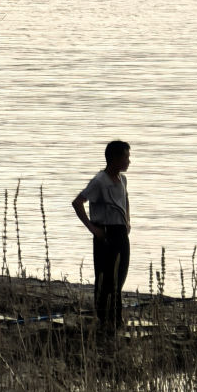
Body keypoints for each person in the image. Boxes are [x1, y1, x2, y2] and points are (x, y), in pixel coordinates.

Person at [72, 141, 131, 333]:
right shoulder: (99, 181)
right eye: (125, 157)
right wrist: (93, 229)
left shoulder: (122, 180)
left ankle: (115, 318)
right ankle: (103, 318)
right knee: (106, 277)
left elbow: (125, 199)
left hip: (121, 232)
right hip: (105, 232)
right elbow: (78, 203)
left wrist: (127, 220)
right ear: (114, 158)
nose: (128, 161)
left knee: (120, 276)